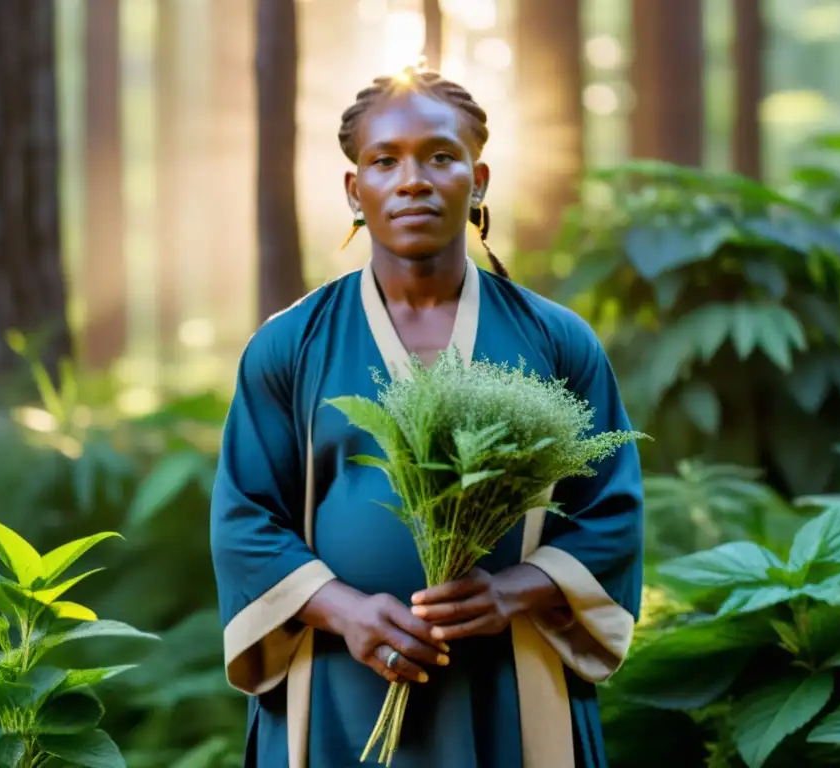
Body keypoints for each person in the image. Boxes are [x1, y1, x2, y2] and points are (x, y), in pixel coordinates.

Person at [210, 66, 644, 768]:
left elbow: (611, 513)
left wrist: (508, 593)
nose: (413, 179)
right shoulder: (289, 345)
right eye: (385, 161)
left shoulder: (558, 341)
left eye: (441, 157)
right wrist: (343, 610)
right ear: (356, 190)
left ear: (478, 180)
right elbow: (245, 519)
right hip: (339, 687)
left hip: (512, 680)